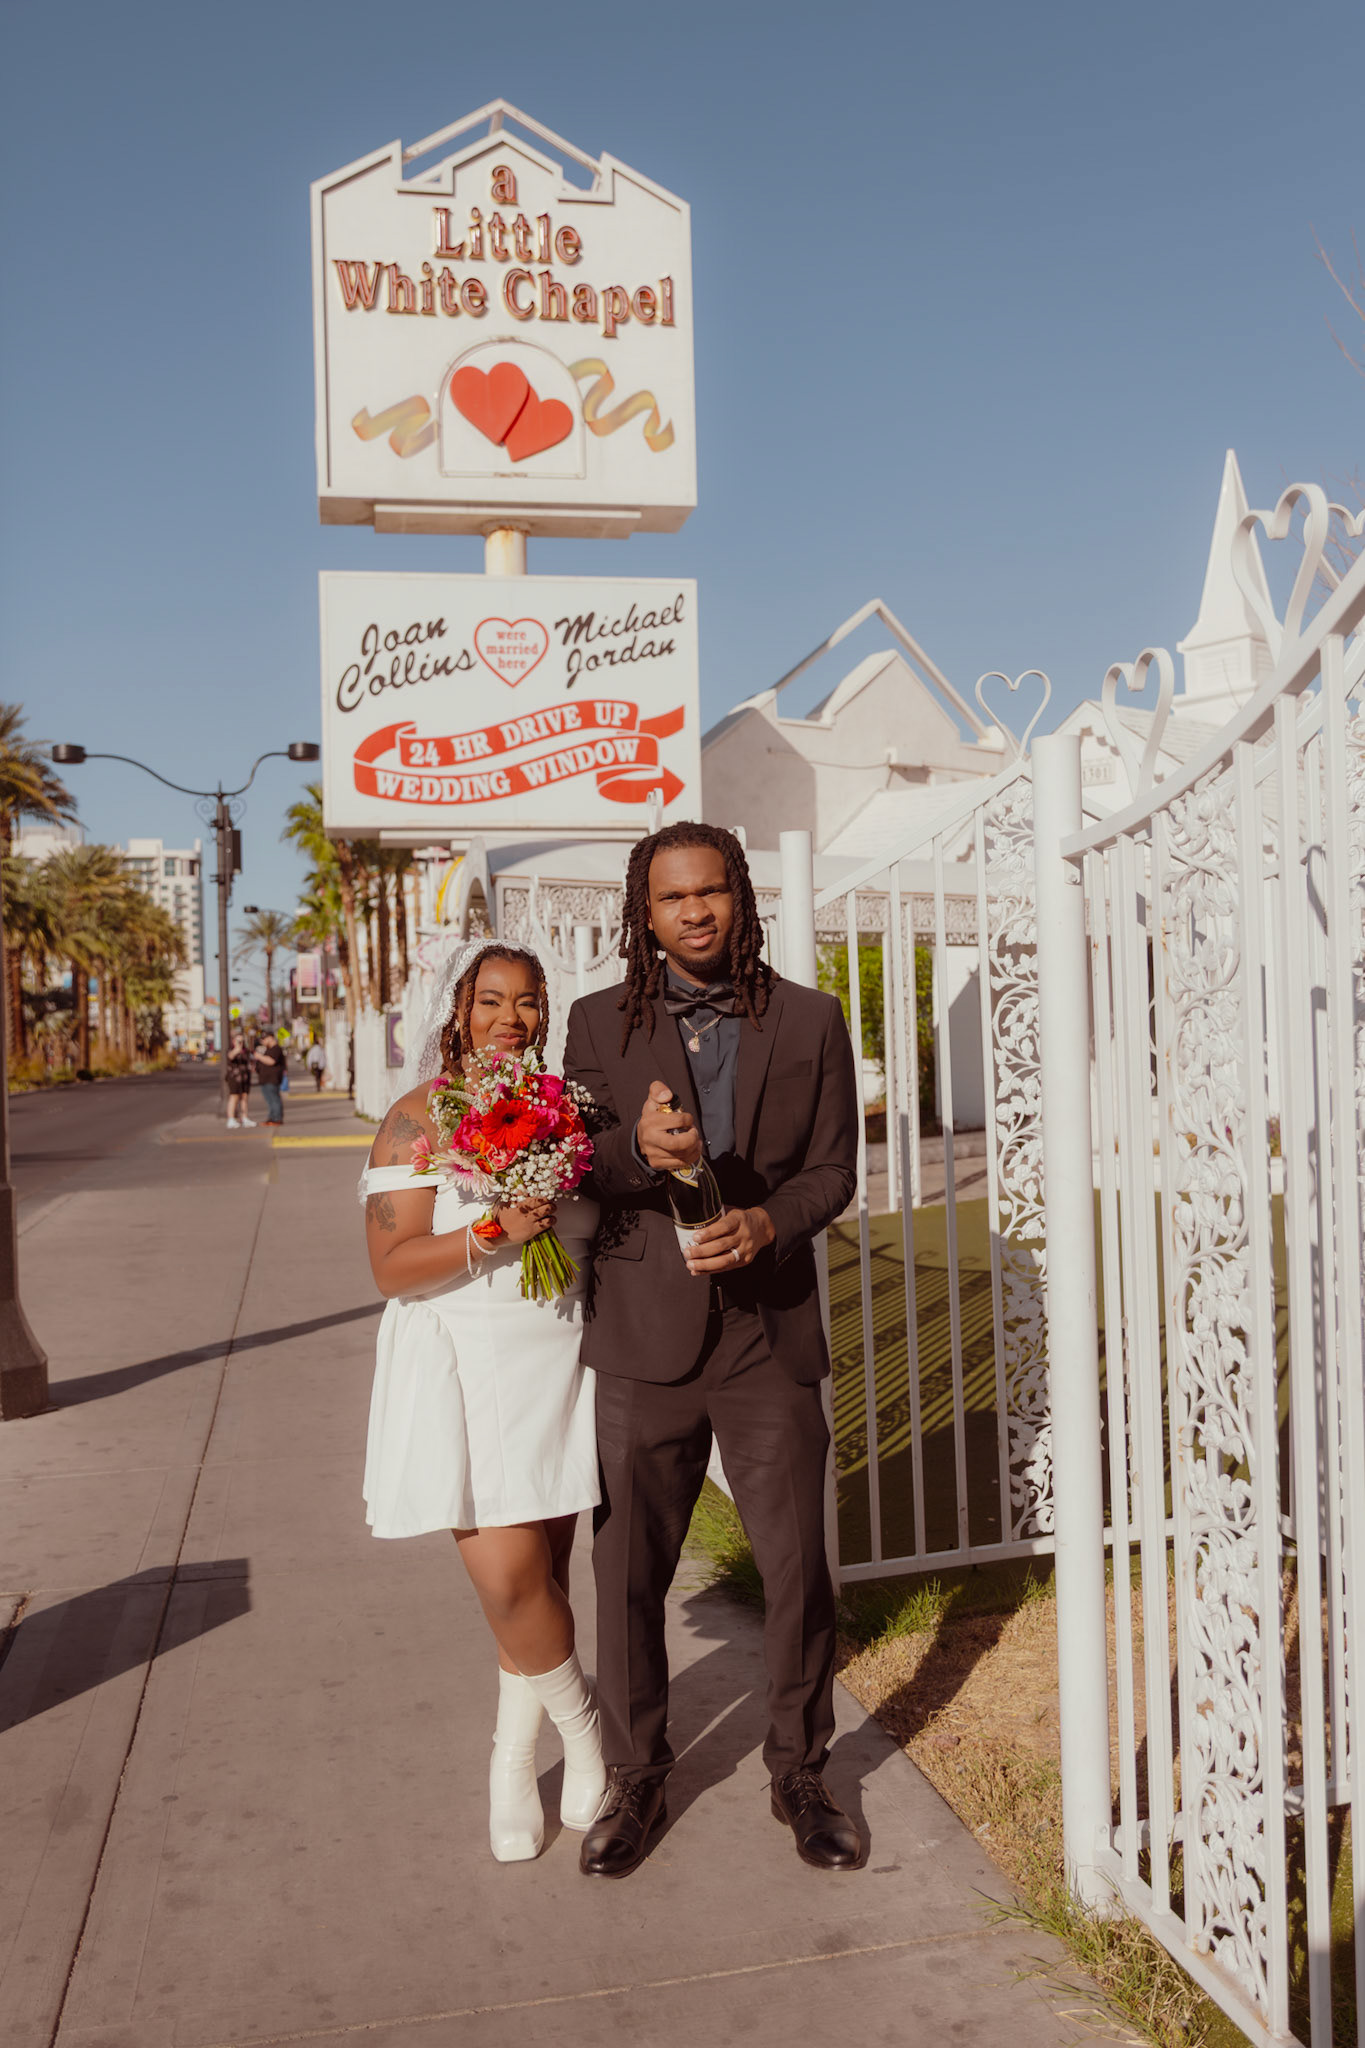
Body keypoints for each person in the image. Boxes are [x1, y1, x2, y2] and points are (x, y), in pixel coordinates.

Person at [564, 820, 860, 1880]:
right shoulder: (596, 1020)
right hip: (644, 1335)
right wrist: (636, 1150)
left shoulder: (813, 1018)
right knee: (626, 1574)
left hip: (765, 1330)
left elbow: (835, 1169)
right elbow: (577, 1161)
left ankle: (801, 1772)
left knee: (796, 1567)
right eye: (672, 897)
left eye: (711, 891)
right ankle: (636, 1774)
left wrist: (770, 1221)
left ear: (740, 895)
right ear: (643, 914)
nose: (694, 911)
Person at [359, 940, 605, 1864]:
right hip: (467, 1365)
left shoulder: (568, 1110)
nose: (510, 1017)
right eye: (491, 1000)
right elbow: (391, 1267)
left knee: (542, 1581)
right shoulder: (415, 1119)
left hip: (561, 1358)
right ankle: (586, 1735)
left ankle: (511, 1760)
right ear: (458, 1012)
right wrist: (495, 1229)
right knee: (507, 1579)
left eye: (528, 1001)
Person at [253, 1030, 287, 1126]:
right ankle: (272, 1117)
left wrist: (259, 1056)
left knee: (274, 1099)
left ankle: (277, 1118)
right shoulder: (268, 1049)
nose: (263, 1041)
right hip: (265, 1079)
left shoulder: (276, 1049)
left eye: (264, 1039)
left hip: (272, 1079)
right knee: (270, 1100)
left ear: (270, 1038)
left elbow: (271, 1061)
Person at [226, 1031, 255, 1129]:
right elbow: (230, 1056)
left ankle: (244, 1117)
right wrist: (237, 1049)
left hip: (245, 1077)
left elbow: (250, 1061)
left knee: (244, 1097)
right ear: (234, 1041)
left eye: (242, 1041)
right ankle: (231, 1119)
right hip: (234, 1078)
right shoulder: (231, 1050)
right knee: (234, 1097)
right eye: (238, 1041)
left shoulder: (246, 1051)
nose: (241, 1043)